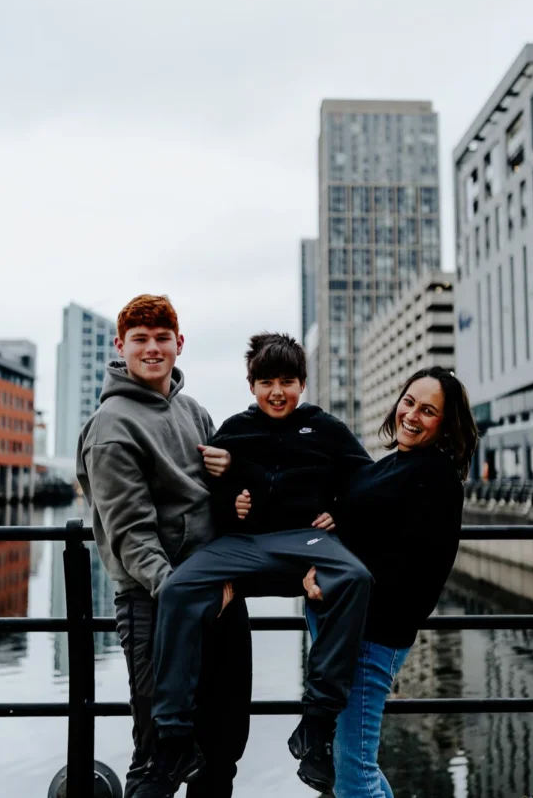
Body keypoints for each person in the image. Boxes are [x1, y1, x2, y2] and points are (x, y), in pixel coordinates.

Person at [136, 332, 373, 798]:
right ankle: (173, 737)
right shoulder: (233, 430)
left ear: (302, 384)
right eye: (266, 382)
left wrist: (342, 512)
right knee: (178, 588)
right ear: (251, 386)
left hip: (307, 541)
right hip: (245, 546)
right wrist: (233, 504)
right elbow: (210, 499)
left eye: (287, 381)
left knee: (355, 577)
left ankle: (316, 727)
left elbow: (367, 479)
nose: (277, 392)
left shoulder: (323, 427)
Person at [76, 294, 252, 798]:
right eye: (140, 339)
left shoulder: (194, 411)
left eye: (161, 338)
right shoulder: (112, 426)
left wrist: (231, 475)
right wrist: (192, 591)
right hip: (156, 603)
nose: (152, 349)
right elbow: (132, 535)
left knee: (221, 750)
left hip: (218, 594)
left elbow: (222, 502)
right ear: (121, 346)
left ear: (179, 344)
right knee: (159, 758)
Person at [299, 366, 478, 798]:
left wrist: (339, 584)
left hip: (370, 635)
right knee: (354, 764)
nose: (412, 415)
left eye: (429, 410)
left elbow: (417, 574)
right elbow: (370, 529)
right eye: (410, 402)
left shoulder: (434, 477)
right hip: (345, 626)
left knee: (352, 774)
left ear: (446, 424)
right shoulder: (397, 463)